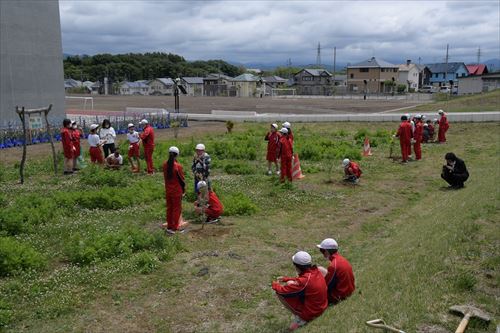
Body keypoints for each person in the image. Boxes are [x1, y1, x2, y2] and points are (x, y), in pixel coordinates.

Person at [272, 251, 328, 331]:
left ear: (297, 266)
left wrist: (275, 285)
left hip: (312, 313)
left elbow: (282, 291)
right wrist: (287, 279)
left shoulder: (305, 281)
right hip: (322, 306)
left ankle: (300, 318)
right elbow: (303, 279)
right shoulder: (316, 271)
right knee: (290, 283)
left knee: (280, 293)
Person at [316, 238, 355, 305]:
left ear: (327, 252)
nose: (322, 253)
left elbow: (327, 286)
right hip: (349, 291)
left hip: (340, 296)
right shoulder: (341, 259)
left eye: (322, 250)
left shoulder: (333, 266)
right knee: (319, 269)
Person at [162, 146, 188, 234]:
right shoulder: (178, 166)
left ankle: (169, 226)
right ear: (177, 155)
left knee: (169, 208)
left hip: (168, 190)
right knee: (177, 209)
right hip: (176, 191)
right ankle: (174, 228)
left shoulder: (165, 164)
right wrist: (184, 190)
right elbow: (182, 180)